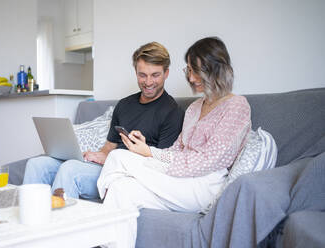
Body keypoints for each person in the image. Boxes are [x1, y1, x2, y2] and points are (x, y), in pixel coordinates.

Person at [96, 37, 252, 248]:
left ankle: (100, 192)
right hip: (180, 180)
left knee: (117, 156)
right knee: (121, 190)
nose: (191, 77)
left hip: (205, 184)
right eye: (188, 69)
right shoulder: (195, 107)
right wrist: (147, 149)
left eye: (196, 70)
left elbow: (210, 161)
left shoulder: (237, 106)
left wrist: (153, 157)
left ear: (216, 69)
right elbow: (176, 149)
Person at [22, 42, 185, 200]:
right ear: (136, 72)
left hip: (126, 174)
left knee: (69, 170)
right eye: (142, 75)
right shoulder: (124, 105)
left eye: (155, 75)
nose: (148, 82)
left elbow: (160, 165)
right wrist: (98, 155)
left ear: (166, 73)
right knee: (37, 164)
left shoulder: (172, 112)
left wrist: (111, 159)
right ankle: (29, 223)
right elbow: (109, 146)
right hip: (107, 166)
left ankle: (59, 226)